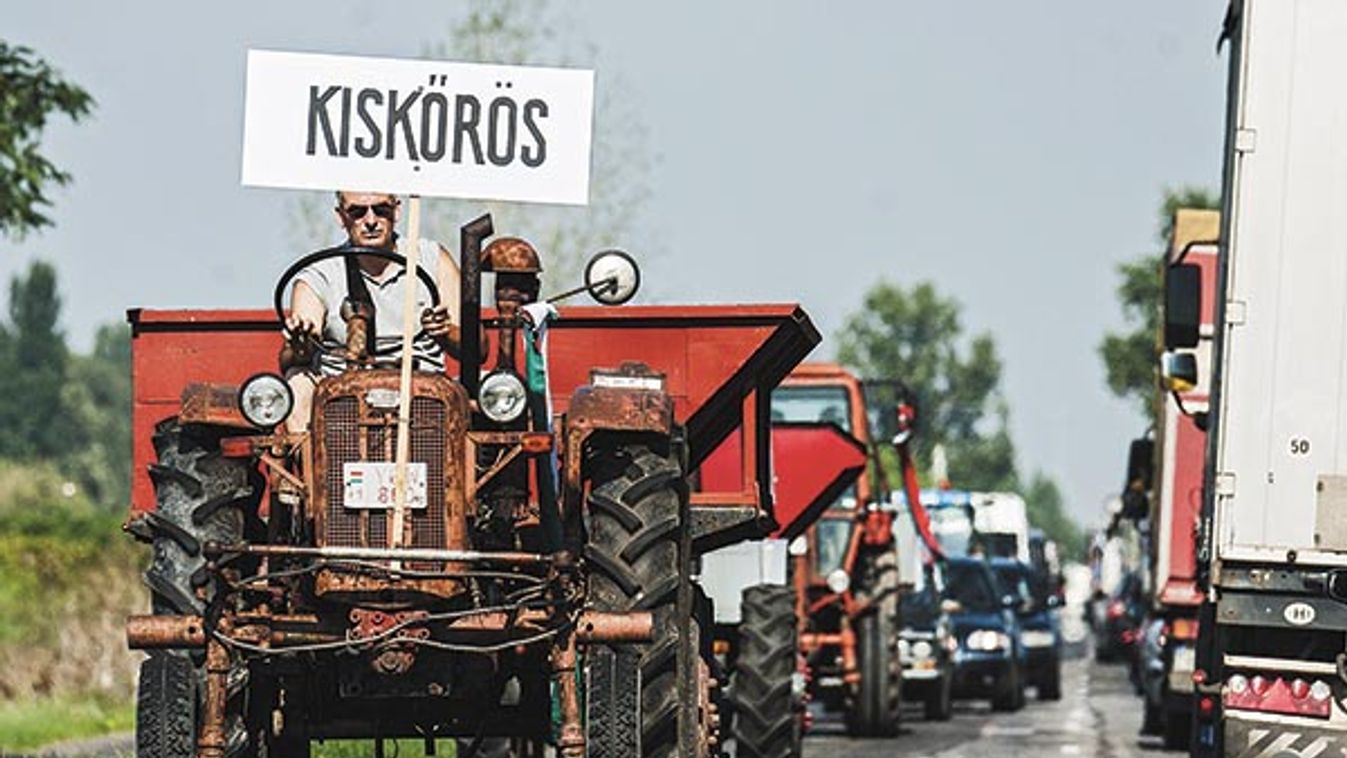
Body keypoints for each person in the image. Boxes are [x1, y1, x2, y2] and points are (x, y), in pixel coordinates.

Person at [283, 190, 461, 431]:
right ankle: (305, 464)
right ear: (341, 217)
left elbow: (476, 347)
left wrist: (445, 331)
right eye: (357, 212)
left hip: (423, 389)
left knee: (494, 392)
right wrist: (300, 344)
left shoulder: (431, 260)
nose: (370, 220)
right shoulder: (320, 275)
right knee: (297, 382)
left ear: (397, 211)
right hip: (340, 397)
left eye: (381, 210)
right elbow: (295, 351)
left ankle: (459, 465)